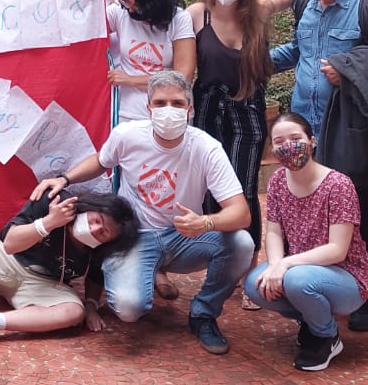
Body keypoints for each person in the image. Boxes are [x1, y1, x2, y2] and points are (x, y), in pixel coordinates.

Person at [32, 70, 253, 355]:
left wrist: (205, 222)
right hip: (135, 236)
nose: (168, 111)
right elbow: (101, 161)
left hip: (185, 235)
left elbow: (241, 214)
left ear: (190, 108)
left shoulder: (207, 149)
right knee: (129, 309)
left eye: (177, 103)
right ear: (148, 109)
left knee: (242, 244)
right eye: (160, 104)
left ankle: (203, 314)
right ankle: (150, 270)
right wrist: (65, 178)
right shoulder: (127, 135)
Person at [269, 0, 368, 330]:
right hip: (302, 129)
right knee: (300, 210)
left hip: (348, 129)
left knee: (357, 214)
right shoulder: (304, 2)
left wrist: (349, 69)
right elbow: (298, 50)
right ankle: (306, 288)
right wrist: (253, 61)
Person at [0, 186, 140, 356]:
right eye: (96, 219)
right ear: (90, 207)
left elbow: (95, 275)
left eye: (103, 233)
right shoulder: (53, 200)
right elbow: (10, 244)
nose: (94, 229)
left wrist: (91, 306)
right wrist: (49, 222)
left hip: (43, 286)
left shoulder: (97, 250)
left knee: (73, 312)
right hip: (8, 262)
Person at [187, 0, 302, 274]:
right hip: (208, 109)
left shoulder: (257, 13)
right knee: (209, 186)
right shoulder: (198, 14)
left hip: (247, 109)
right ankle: (219, 261)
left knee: (244, 189)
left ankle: (248, 265)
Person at [243, 113, 368, 372]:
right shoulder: (278, 181)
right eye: (279, 141)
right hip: (300, 269)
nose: (288, 146)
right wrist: (275, 265)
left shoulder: (338, 184)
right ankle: (312, 321)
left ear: (312, 141)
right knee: (255, 284)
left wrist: (285, 265)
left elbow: (338, 249)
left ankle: (326, 336)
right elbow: (275, 232)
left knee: (296, 280)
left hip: (346, 277)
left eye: (296, 138)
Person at [106, 0, 195, 121]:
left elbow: (183, 76)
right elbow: (86, 28)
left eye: (138, 6)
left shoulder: (179, 19)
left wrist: (130, 80)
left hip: (169, 113)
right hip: (127, 111)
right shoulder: (120, 11)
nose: (132, 10)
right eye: (128, 2)